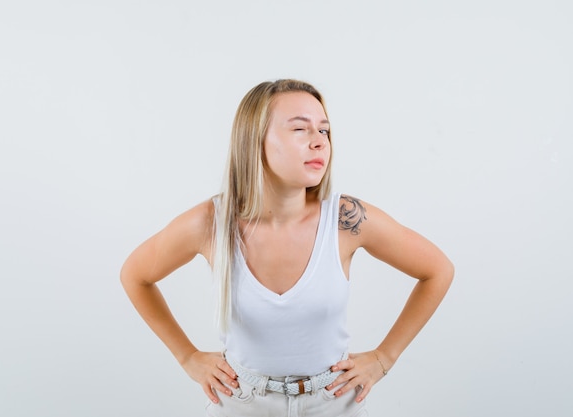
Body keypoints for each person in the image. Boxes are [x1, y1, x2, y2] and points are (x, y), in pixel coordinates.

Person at [120, 79, 454, 417]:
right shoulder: (211, 223)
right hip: (242, 402)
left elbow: (437, 270)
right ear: (255, 140)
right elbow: (135, 275)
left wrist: (384, 359)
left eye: (324, 131)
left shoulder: (345, 219)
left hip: (334, 402)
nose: (319, 143)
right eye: (300, 129)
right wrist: (187, 357)